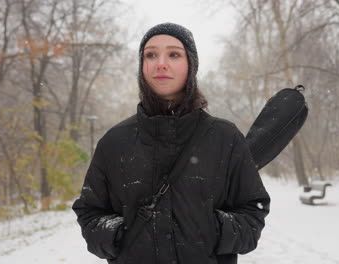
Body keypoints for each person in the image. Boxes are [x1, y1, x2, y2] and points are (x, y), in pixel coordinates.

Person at [72, 22, 271, 264]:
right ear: (142, 66)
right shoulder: (114, 142)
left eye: (174, 54)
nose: (160, 63)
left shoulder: (224, 137)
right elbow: (89, 211)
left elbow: (253, 209)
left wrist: (215, 230)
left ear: (191, 65)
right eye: (151, 55)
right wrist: (116, 237)